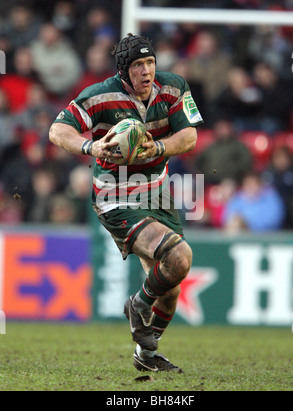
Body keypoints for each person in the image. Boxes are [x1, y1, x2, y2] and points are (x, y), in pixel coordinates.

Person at [49, 34, 203, 372]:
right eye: (137, 65)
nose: (146, 71)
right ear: (123, 69)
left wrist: (158, 149)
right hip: (115, 194)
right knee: (180, 256)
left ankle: (145, 357)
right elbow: (58, 130)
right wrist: (91, 147)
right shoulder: (99, 95)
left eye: (150, 63)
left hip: (158, 192)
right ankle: (137, 304)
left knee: (171, 285)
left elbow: (190, 136)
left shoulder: (174, 87)